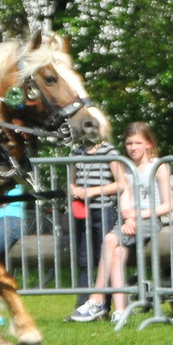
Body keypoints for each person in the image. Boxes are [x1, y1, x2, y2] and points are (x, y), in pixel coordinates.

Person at [82, 123, 173, 326]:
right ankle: (120, 309)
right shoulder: (124, 166)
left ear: (148, 144)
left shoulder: (159, 166)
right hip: (127, 219)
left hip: (150, 219)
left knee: (109, 238)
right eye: (129, 143)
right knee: (116, 253)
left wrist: (139, 215)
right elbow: (125, 195)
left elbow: (167, 205)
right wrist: (129, 217)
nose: (132, 148)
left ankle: (96, 298)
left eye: (138, 143)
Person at [67, 124, 123, 312]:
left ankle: (103, 305)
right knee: (85, 259)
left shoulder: (109, 151)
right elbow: (72, 181)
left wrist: (92, 191)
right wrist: (73, 189)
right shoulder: (76, 153)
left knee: (102, 257)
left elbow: (120, 183)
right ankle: (82, 305)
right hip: (82, 211)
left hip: (103, 210)